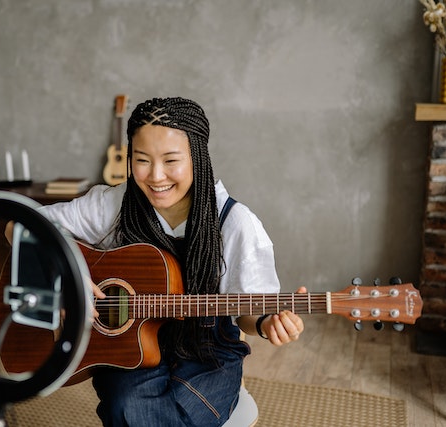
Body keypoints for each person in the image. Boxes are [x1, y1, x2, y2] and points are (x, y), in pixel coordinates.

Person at [19, 97, 305, 426]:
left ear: (197, 157)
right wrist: (67, 271)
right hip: (129, 345)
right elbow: (19, 225)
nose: (156, 176)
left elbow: (249, 310)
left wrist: (268, 324)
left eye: (171, 161)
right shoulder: (113, 205)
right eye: (142, 160)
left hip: (206, 354)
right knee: (126, 407)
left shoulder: (235, 223)